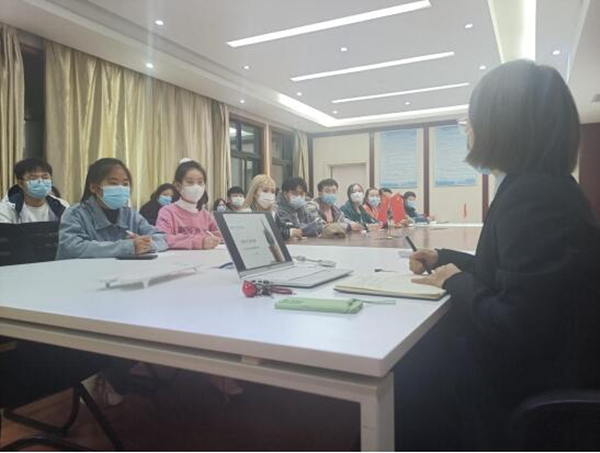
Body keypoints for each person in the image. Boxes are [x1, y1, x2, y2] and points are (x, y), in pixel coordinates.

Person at [396, 60, 600, 450]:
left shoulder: (533, 197)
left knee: (407, 374)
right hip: (544, 365)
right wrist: (444, 258)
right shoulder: (543, 186)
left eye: (471, 121)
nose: (468, 131)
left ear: (502, 125)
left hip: (520, 387)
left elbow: (514, 321)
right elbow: (511, 274)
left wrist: (455, 281)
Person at [56, 158, 166, 259]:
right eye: (113, 183)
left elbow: (163, 238)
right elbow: (72, 248)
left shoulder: (130, 215)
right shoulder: (75, 214)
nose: (120, 188)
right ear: (94, 187)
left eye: (125, 184)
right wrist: (127, 247)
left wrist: (145, 244)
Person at [155, 160, 221, 250]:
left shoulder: (206, 215)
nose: (196, 187)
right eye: (190, 182)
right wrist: (198, 242)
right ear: (178, 186)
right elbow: (162, 238)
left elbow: (218, 234)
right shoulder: (168, 212)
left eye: (200, 182)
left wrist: (219, 237)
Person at [0, 158, 69, 224]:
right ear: (20, 183)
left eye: (45, 177)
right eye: (33, 178)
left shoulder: (62, 205)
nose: (40, 182)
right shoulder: (6, 208)